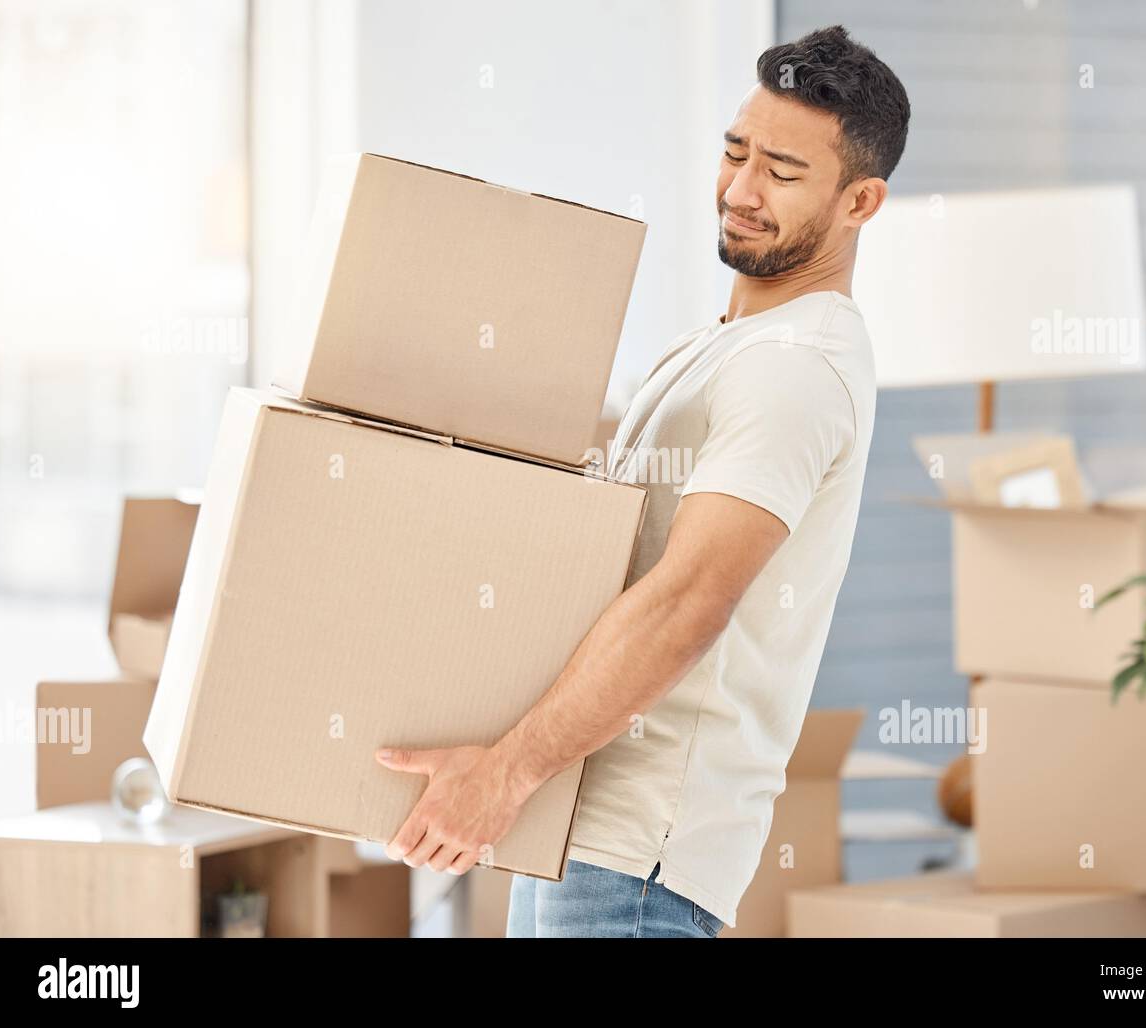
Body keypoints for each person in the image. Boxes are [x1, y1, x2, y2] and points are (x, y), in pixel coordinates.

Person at [374, 24, 910, 938]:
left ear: (860, 201)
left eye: (782, 172)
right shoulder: (718, 347)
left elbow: (689, 600)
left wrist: (503, 774)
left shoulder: (796, 368)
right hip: (575, 825)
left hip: (635, 860)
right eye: (735, 152)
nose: (740, 191)